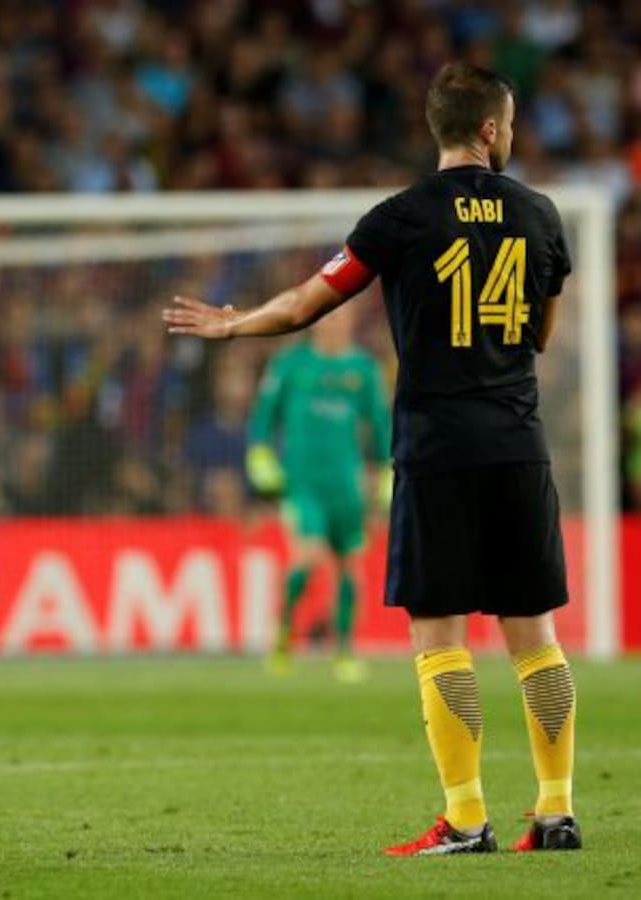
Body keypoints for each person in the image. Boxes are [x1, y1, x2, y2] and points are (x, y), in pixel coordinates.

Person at [162, 61, 579, 856]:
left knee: (442, 634)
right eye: (511, 124)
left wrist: (234, 324)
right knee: (535, 636)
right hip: (518, 446)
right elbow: (541, 334)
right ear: (490, 128)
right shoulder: (541, 214)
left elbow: (306, 304)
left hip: (438, 448)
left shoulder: (400, 217)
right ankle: (556, 812)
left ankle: (466, 819)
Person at [247, 303, 391, 682]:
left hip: (346, 484)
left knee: (349, 565)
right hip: (302, 483)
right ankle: (284, 633)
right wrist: (260, 454)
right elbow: (264, 416)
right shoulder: (290, 364)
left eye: (340, 315)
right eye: (326, 315)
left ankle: (344, 651)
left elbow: (379, 425)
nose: (333, 321)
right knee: (308, 556)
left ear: (351, 320)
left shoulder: (363, 369)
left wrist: (386, 471)